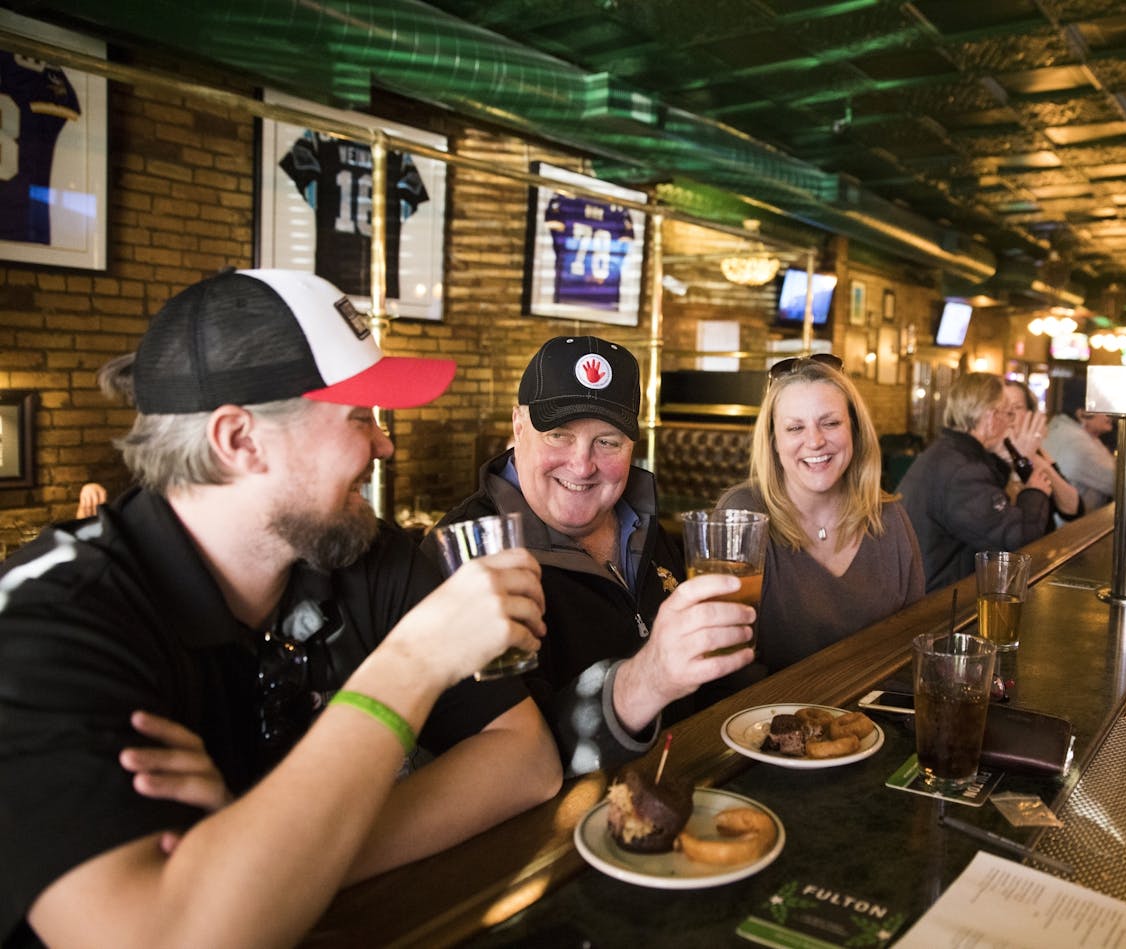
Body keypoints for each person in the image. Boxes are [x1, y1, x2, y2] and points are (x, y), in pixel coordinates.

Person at [0, 269, 563, 948]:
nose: (385, 444)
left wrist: (264, 853)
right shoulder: (53, 619)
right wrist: (413, 660)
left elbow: (527, 761)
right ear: (239, 440)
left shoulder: (365, 551)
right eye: (361, 417)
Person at [428, 336, 756, 776]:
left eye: (607, 442)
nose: (582, 466)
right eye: (559, 435)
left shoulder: (643, 521)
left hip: (684, 778)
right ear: (518, 425)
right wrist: (646, 678)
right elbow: (495, 758)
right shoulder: (466, 553)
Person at [717, 354, 924, 673]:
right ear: (774, 441)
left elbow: (913, 642)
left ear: (854, 430)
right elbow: (726, 664)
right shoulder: (743, 515)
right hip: (767, 718)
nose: (814, 441)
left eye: (830, 423)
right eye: (795, 427)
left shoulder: (890, 517)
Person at [899, 372, 1053, 592]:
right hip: (936, 604)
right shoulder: (963, 472)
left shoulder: (950, 451)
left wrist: (1002, 458)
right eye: (1008, 414)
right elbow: (1018, 539)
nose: (1011, 422)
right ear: (991, 418)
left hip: (933, 586)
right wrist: (1035, 492)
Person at [999, 378, 1082, 526]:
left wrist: (1034, 460)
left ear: (1030, 413)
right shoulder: (986, 455)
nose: (1010, 414)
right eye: (1002, 407)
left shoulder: (1038, 453)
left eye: (1017, 407)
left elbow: (1073, 509)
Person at [1041, 374, 1116, 512]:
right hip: (1072, 529)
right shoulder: (1076, 442)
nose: (1110, 412)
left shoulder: (1062, 426)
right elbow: (1120, 483)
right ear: (1081, 413)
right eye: (1103, 406)